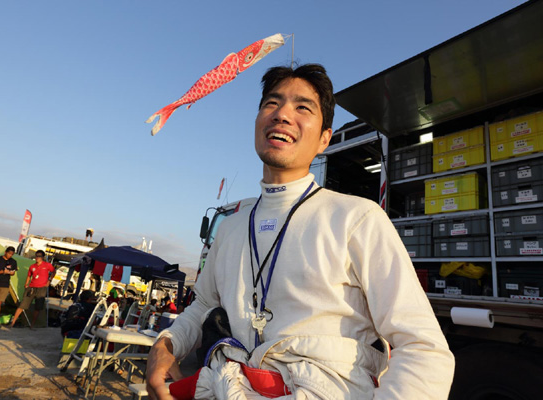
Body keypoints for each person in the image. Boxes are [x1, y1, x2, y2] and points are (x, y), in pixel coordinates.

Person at [146, 64, 455, 399]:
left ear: (325, 138)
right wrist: (167, 344)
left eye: (303, 107)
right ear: (256, 122)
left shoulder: (357, 218)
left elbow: (423, 348)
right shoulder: (232, 225)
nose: (282, 115)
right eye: (271, 104)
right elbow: (205, 302)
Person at [9, 250, 55, 328]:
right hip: (31, 288)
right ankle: (12, 323)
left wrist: (49, 280)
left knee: (38, 307)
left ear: (43, 257)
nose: (37, 257)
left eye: (39, 256)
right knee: (22, 305)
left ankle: (32, 325)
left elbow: (53, 272)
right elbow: (29, 276)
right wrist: (26, 284)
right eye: (36, 256)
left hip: (41, 288)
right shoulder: (32, 266)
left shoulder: (47, 265)